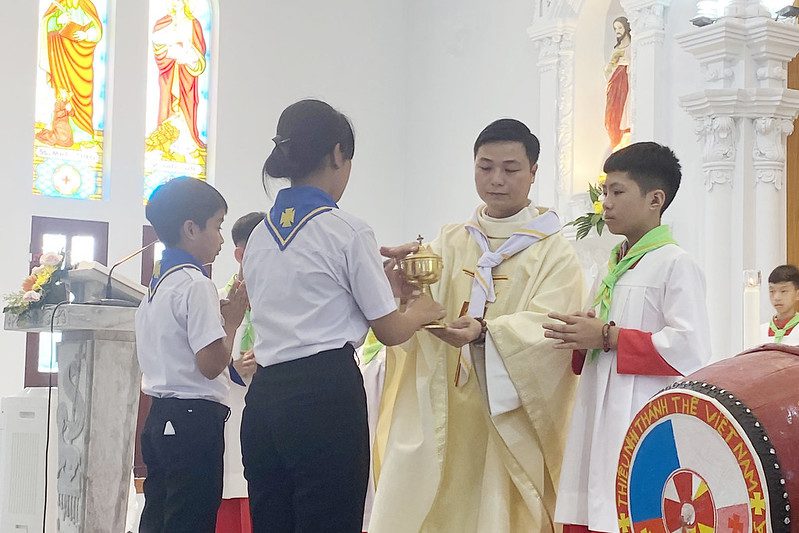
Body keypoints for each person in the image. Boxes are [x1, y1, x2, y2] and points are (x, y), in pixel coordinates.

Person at [241, 99, 445, 533]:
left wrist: (380, 285)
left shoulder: (258, 235)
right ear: (338, 154)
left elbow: (306, 296)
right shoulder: (348, 230)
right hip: (324, 398)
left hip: (264, 399)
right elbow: (390, 331)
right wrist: (422, 310)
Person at [370, 119, 584, 532]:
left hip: (505, 412)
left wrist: (486, 333)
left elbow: (552, 328)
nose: (496, 179)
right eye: (485, 167)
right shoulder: (449, 242)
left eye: (510, 169)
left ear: (533, 172)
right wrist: (401, 292)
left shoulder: (555, 253)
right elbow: (422, 308)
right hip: (445, 403)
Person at [543, 142, 711, 533]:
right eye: (605, 192)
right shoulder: (614, 265)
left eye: (617, 191)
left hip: (640, 413)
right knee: (591, 504)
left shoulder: (675, 264)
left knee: (630, 509)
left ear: (655, 199)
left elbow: (690, 350)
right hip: (597, 409)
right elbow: (598, 339)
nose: (606, 203)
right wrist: (582, 333)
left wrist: (607, 336)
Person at [136, 176, 249, 533]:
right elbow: (210, 365)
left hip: (160, 416)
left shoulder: (157, 286)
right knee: (191, 520)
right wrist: (231, 322)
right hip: (192, 420)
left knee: (158, 517)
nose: (221, 239)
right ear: (190, 229)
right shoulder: (195, 284)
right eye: (217, 226)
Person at [216, 212, 265, 533]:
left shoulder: (281, 298)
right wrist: (232, 368)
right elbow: (199, 364)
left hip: (268, 408)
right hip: (231, 412)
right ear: (239, 254)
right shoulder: (218, 299)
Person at [37, 0, 102, 142]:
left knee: (82, 92)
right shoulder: (59, 4)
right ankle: (61, 131)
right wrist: (57, 20)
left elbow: (97, 30)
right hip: (61, 57)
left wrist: (86, 35)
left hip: (81, 59)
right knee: (63, 94)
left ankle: (82, 133)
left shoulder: (87, 5)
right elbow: (46, 24)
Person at [604, 16, 631, 150]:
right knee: (612, 115)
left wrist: (625, 64)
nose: (618, 31)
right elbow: (608, 73)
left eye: (620, 27)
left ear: (626, 27)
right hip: (615, 87)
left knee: (624, 112)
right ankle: (616, 141)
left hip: (625, 86)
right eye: (615, 29)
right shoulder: (616, 49)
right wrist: (612, 64)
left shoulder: (632, 47)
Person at [761, 264, 799, 345]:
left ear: (797, 294)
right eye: (772, 291)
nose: (776, 297)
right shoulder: (759, 331)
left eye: (783, 291)